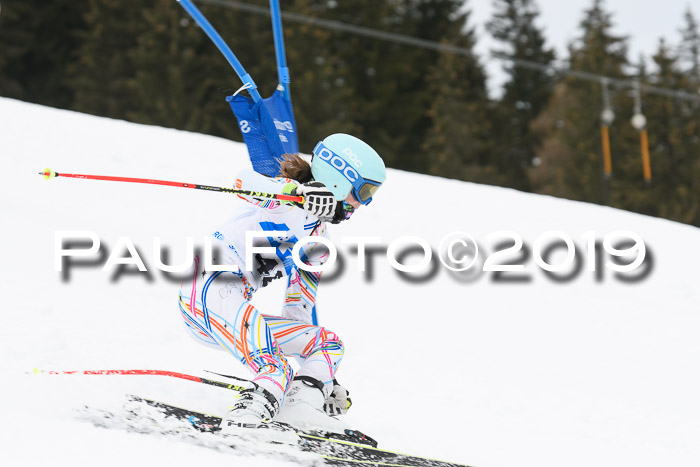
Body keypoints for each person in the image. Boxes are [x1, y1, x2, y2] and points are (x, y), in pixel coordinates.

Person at [177, 133, 386, 431]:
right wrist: (298, 192)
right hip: (207, 291)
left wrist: (321, 380)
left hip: (232, 313)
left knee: (327, 344)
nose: (363, 203)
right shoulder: (284, 198)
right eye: (363, 191)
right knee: (275, 366)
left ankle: (300, 408)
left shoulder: (318, 243)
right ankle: (244, 420)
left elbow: (298, 312)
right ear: (340, 178)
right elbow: (244, 181)